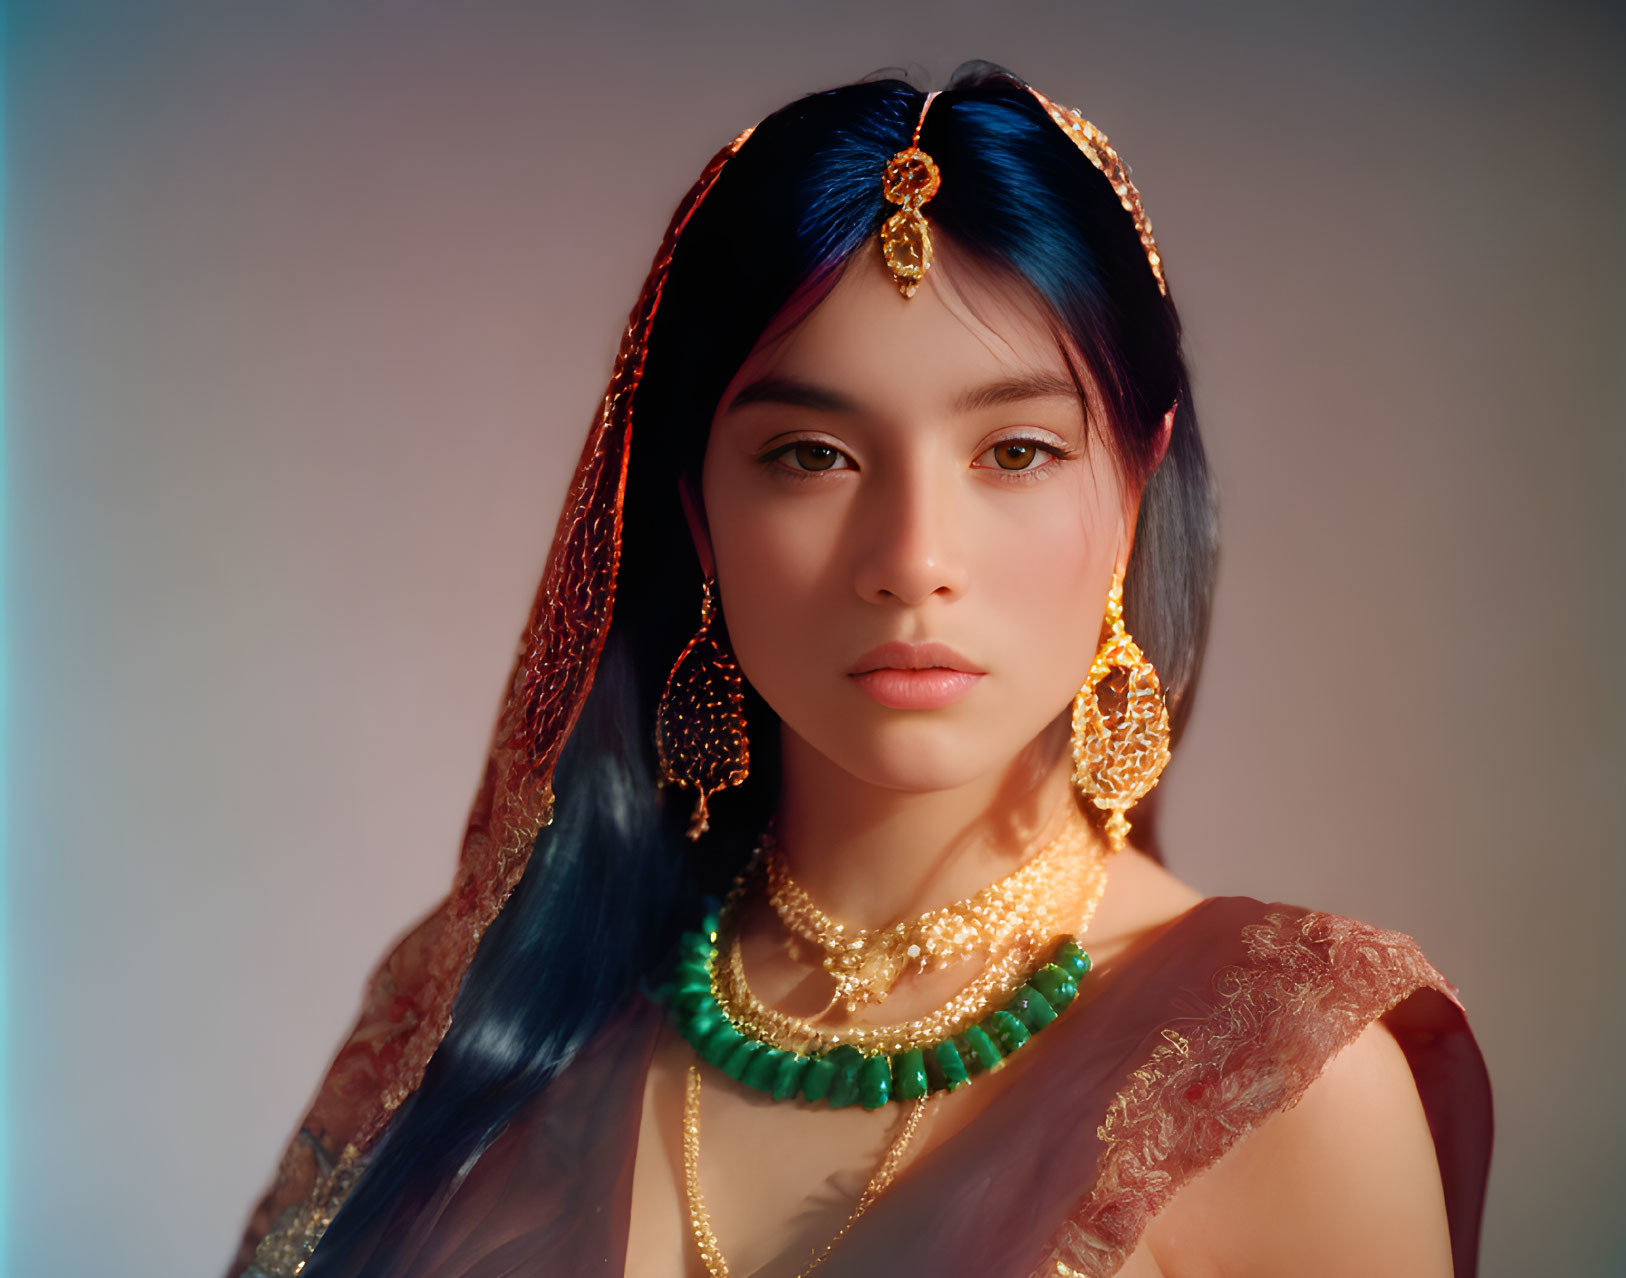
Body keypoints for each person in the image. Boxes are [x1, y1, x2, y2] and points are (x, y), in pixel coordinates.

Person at [228, 62, 1493, 1278]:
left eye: (1013, 452)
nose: (910, 561)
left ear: (1134, 483)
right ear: (693, 505)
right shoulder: (495, 1020)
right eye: (810, 455)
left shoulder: (1270, 1083)